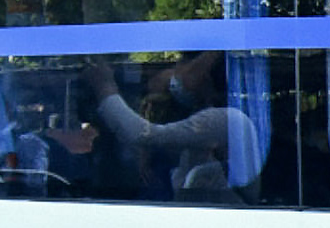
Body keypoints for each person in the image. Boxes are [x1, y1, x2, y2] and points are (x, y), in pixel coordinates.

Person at [85, 53, 262, 204]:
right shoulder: (205, 113)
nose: (175, 75)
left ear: (204, 74)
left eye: (185, 68)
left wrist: (105, 87)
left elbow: (144, 135)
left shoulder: (223, 119)